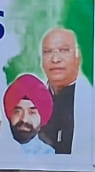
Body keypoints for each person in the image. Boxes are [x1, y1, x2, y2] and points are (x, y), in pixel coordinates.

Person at [36, 26, 88, 155]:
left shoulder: (89, 100)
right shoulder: (33, 101)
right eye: (47, 52)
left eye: (64, 50)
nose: (55, 59)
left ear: (78, 58)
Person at [4, 74, 56, 156]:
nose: (24, 119)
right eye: (17, 112)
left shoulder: (50, 155)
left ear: (42, 118)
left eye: (32, 113)